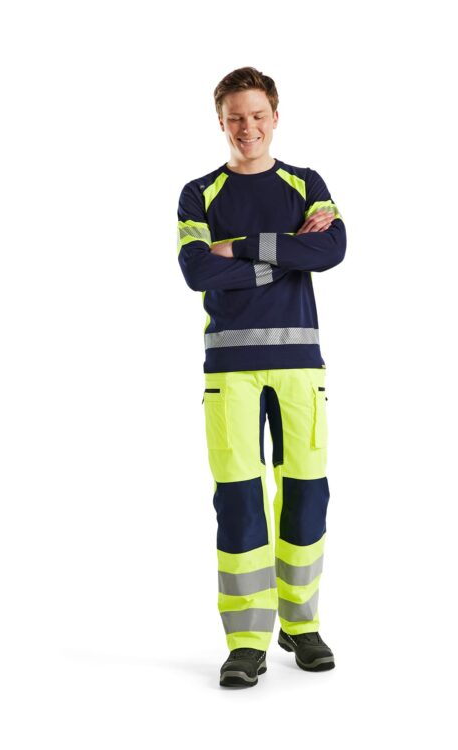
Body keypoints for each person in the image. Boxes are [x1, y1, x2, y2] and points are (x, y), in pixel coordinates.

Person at [176, 66, 346, 688]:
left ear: (275, 115)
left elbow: (330, 250)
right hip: (230, 371)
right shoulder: (199, 193)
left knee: (307, 492)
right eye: (234, 118)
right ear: (220, 122)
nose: (246, 127)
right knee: (239, 498)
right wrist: (283, 252)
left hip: (301, 366)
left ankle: (301, 625)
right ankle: (246, 641)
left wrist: (239, 246)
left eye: (256, 115)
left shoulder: (307, 183)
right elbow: (198, 271)